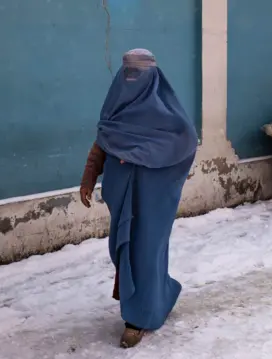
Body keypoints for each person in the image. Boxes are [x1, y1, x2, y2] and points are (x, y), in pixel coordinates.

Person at [79, 49, 198, 348]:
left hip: (153, 202)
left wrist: (142, 157)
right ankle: (159, 296)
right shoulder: (115, 109)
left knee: (145, 253)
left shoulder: (170, 116)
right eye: (128, 73)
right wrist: (88, 178)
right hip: (122, 199)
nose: (132, 80)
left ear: (152, 77)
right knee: (124, 253)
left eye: (138, 74)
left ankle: (137, 320)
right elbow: (102, 143)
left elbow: (184, 143)